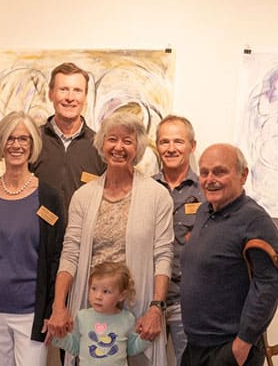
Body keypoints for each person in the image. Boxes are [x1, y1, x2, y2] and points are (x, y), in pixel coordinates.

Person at [48, 111, 174, 366]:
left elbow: (163, 256)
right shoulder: (83, 196)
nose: (118, 147)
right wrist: (59, 306)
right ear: (102, 144)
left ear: (137, 147)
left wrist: (155, 308)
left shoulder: (157, 196)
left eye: (127, 141)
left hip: (137, 308)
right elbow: (70, 253)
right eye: (112, 139)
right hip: (90, 306)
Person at [0, 111, 65, 366]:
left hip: (31, 311)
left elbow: (56, 259)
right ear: (0, 145)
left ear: (32, 145)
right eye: (10, 139)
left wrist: (53, 309)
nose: (16, 145)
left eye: (23, 139)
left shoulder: (49, 198)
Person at [181, 144, 278, 366]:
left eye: (220, 171)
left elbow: (269, 284)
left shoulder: (255, 220)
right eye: (205, 172)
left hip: (229, 349)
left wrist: (243, 343)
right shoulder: (204, 211)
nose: (210, 179)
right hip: (196, 345)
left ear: (243, 175)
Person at [152, 115, 205, 366]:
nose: (171, 148)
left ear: (192, 146)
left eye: (178, 141)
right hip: (149, 301)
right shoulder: (145, 190)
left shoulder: (207, 193)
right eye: (164, 142)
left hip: (190, 302)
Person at [30, 62, 106, 213]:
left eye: (77, 90)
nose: (70, 98)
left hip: (83, 235)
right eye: (63, 89)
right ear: (51, 94)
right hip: (39, 234)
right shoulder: (32, 140)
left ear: (85, 97)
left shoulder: (100, 145)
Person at [52, 261, 151, 366]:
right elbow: (75, 347)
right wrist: (60, 336)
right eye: (94, 289)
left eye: (105, 291)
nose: (98, 296)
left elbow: (131, 349)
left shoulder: (127, 319)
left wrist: (145, 338)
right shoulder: (82, 317)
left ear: (121, 295)